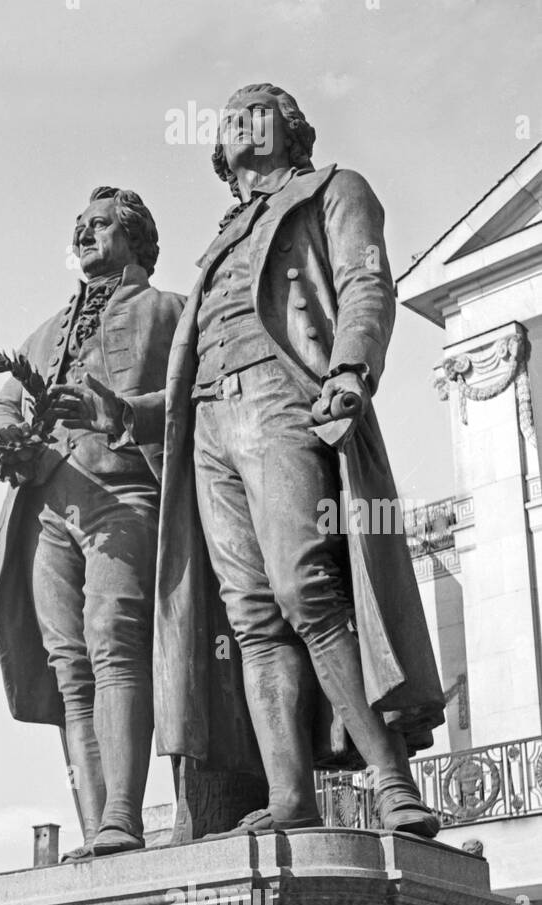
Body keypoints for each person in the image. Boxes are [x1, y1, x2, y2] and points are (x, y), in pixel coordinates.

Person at [123, 84, 444, 837]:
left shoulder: (335, 189)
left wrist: (351, 369)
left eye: (259, 108)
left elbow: (367, 281)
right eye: (230, 114)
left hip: (280, 396)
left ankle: (393, 783)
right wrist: (114, 414)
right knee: (252, 617)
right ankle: (289, 794)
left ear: (292, 129)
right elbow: (180, 368)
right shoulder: (218, 241)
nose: (241, 119)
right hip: (206, 422)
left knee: (305, 584)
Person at [0, 187, 185, 857]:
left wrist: (125, 412)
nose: (86, 235)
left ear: (135, 239)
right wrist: (12, 442)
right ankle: (99, 826)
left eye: (100, 225)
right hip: (47, 506)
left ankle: (125, 817)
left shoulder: (170, 310)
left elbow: (196, 394)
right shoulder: (44, 333)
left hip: (125, 493)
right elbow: (0, 408)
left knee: (114, 641)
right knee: (71, 665)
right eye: (80, 227)